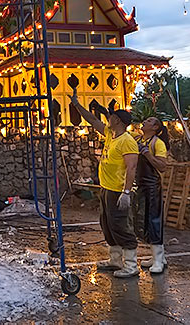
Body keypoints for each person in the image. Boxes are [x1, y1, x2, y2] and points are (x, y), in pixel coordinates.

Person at [69, 88, 140, 278]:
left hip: (118, 190)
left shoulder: (127, 141)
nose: (109, 118)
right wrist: (76, 104)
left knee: (121, 225)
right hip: (106, 188)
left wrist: (126, 192)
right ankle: (115, 261)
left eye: (112, 116)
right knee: (107, 224)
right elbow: (92, 121)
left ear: (118, 120)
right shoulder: (111, 134)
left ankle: (132, 265)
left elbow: (132, 167)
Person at [134, 117, 170, 274]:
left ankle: (158, 260)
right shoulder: (139, 139)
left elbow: (162, 167)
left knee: (154, 220)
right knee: (143, 220)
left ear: (155, 127)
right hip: (141, 185)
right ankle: (158, 256)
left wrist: (148, 154)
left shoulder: (157, 143)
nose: (144, 122)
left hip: (152, 186)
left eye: (148, 121)